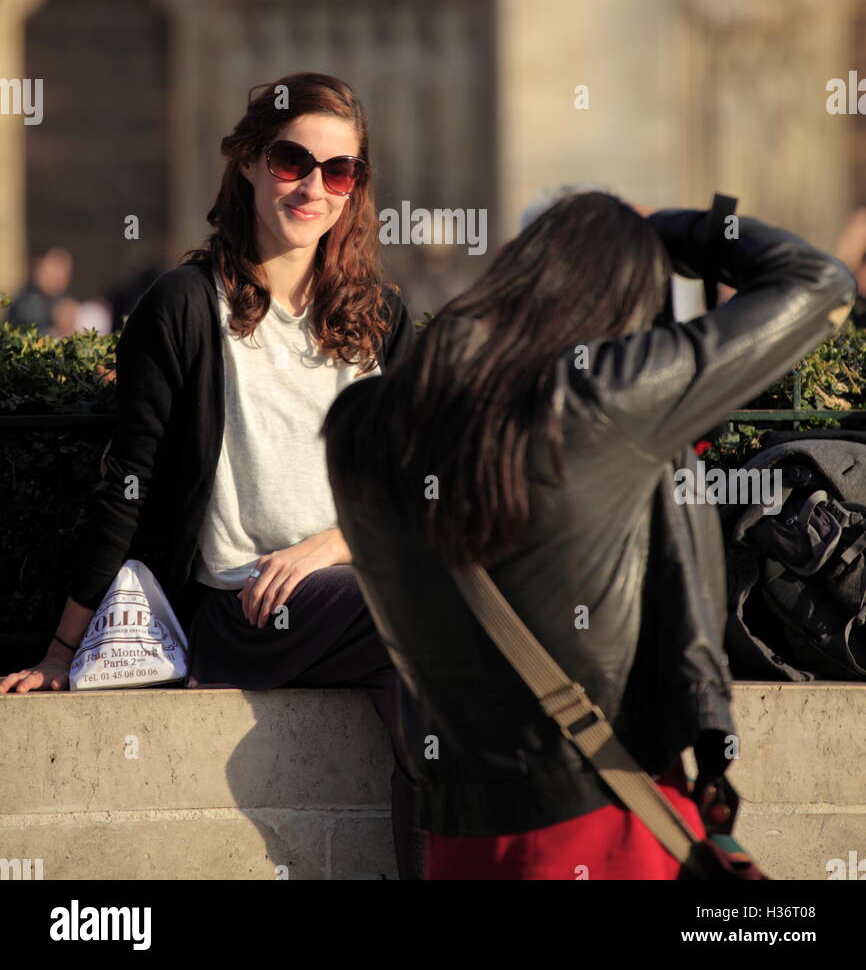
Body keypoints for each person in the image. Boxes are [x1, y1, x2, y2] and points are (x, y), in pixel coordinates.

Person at [323, 192, 856, 880]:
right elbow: (821, 286)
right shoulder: (597, 401)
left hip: (457, 837)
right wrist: (673, 232)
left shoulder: (360, 424)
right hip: (604, 822)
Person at [0, 72, 424, 880]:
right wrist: (61, 650)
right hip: (242, 607)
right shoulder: (185, 307)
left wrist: (328, 547)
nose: (314, 186)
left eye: (340, 171)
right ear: (249, 162)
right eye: (292, 159)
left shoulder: (381, 315)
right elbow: (127, 484)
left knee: (430, 718)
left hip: (352, 587)